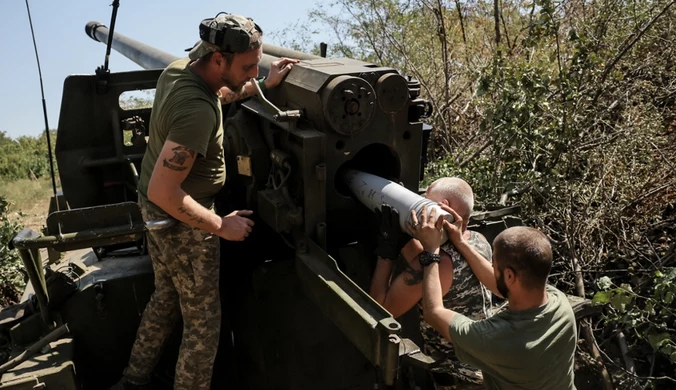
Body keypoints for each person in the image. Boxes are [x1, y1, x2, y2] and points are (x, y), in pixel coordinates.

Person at [117, 13, 299, 390]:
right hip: (180, 218)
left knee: (165, 299)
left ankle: (132, 381)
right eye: (248, 66)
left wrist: (263, 83)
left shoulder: (180, 69)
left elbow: (221, 92)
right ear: (218, 59)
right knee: (203, 327)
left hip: (158, 214)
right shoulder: (195, 113)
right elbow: (165, 192)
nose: (252, 72)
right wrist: (222, 226)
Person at [410, 204, 578, 390]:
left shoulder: (494, 338)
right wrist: (461, 242)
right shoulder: (559, 302)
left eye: (494, 262)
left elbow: (433, 312)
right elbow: (500, 287)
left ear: (509, 276)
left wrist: (431, 250)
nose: (492, 266)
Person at [369, 178, 495, 389]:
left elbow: (380, 309)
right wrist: (403, 234)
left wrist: (386, 254)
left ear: (443, 208)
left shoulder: (438, 264)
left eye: (425, 203)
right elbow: (424, 256)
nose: (420, 207)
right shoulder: (478, 240)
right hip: (485, 366)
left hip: (461, 380)